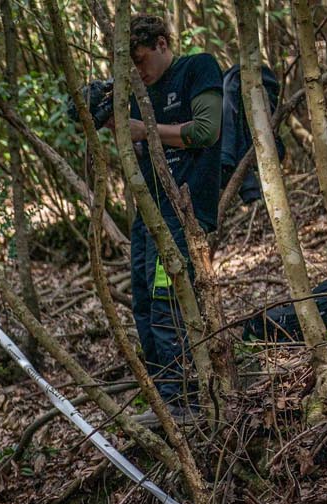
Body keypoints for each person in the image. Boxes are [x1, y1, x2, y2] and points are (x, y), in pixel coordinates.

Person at [119, 13, 222, 426]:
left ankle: (186, 401)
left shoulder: (197, 67)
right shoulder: (138, 91)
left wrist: (145, 130)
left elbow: (207, 130)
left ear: (162, 44)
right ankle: (166, 398)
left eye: (141, 60)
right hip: (150, 211)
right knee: (144, 301)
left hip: (184, 209)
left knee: (168, 299)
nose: (139, 71)